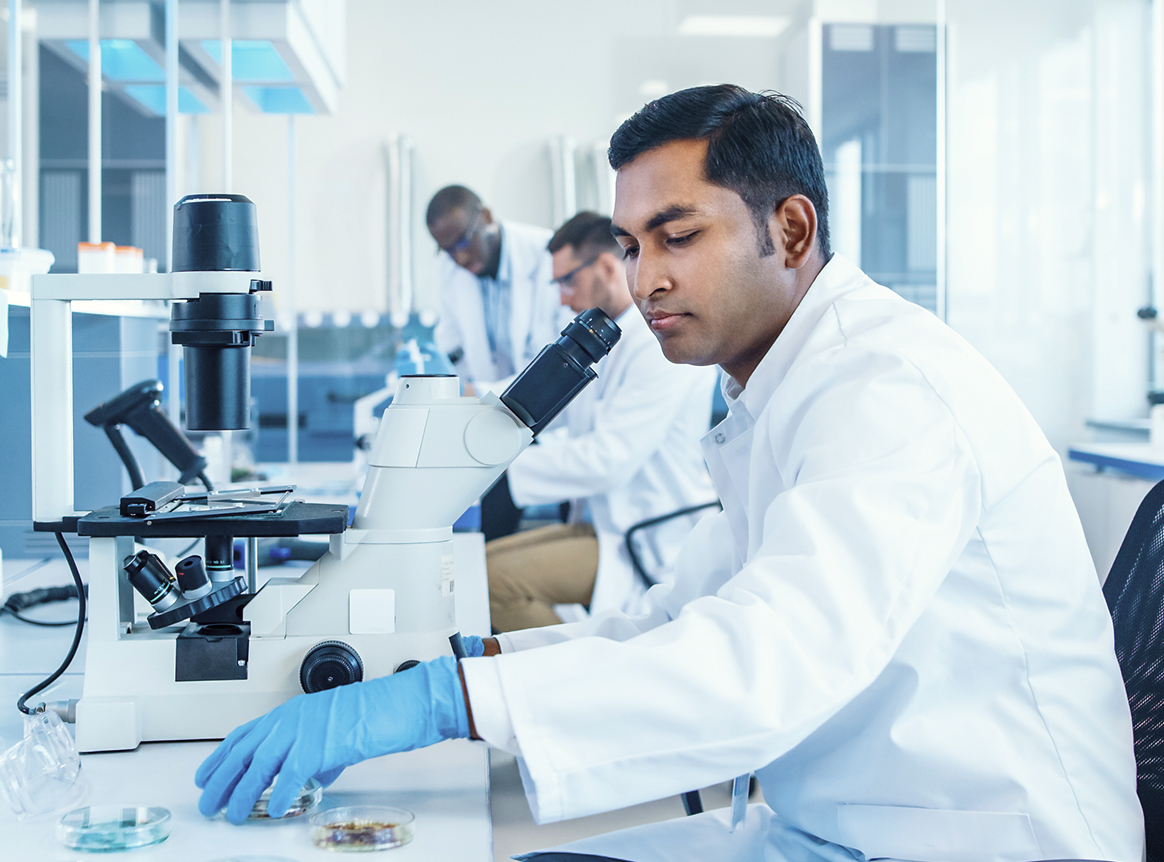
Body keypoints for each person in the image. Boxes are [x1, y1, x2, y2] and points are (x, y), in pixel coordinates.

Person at [195, 85, 1143, 861]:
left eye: (678, 237)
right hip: (844, 822)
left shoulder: (888, 391)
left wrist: (448, 701)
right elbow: (674, 621)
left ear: (793, 229)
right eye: (634, 244)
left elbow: (766, 663)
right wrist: (462, 671)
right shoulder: (780, 389)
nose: (644, 277)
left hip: (975, 841)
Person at [487, 211, 718, 632]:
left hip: (646, 532)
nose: (561, 297)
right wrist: (478, 399)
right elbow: (554, 399)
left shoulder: (656, 347)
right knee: (481, 565)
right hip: (606, 522)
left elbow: (609, 459)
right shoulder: (614, 339)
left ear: (607, 267)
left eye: (566, 281)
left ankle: (574, 680)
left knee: (491, 584)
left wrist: (498, 466)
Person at [426, 185, 566, 540]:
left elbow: (554, 364)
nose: (458, 258)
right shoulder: (452, 270)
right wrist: (445, 378)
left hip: (556, 420)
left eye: (462, 243)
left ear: (486, 217)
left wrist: (478, 391)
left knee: (565, 512)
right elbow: (453, 344)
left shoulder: (545, 255)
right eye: (446, 250)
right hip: (496, 417)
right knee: (492, 527)